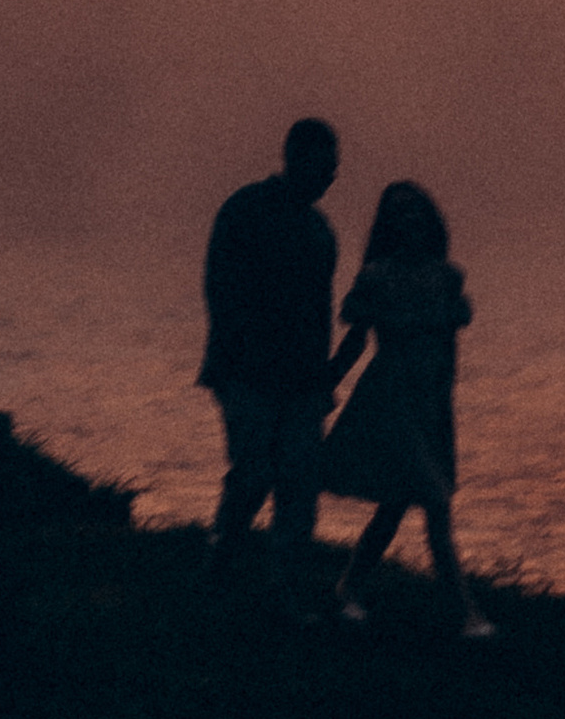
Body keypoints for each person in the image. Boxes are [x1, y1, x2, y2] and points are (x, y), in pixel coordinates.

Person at [323, 180, 493, 639]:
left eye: (416, 210)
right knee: (435, 504)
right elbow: (356, 340)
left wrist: (441, 405)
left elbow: (449, 352)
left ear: (430, 218)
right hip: (389, 399)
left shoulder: (447, 277)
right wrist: (326, 384)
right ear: (389, 225)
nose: (410, 219)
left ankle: (351, 587)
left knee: (396, 504)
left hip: (431, 406)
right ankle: (465, 613)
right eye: (399, 213)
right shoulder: (376, 276)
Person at [200, 115, 340, 606]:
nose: (330, 177)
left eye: (334, 168)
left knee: (298, 484)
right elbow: (221, 290)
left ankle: (285, 585)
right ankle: (223, 562)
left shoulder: (319, 230)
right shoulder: (246, 210)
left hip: (300, 380)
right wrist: (235, 359)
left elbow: (320, 313)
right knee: (254, 474)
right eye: (324, 165)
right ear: (295, 158)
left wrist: (321, 380)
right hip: (247, 373)